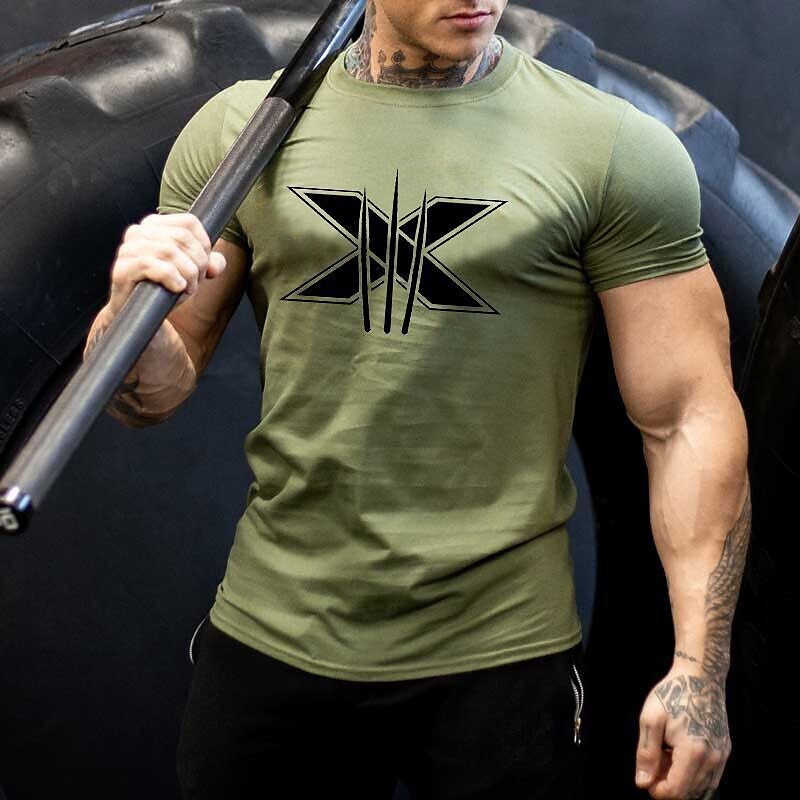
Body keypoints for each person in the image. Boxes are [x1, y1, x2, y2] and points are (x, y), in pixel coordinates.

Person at [83, 2, 750, 798]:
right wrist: (129, 312)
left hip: (502, 655)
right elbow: (151, 394)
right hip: (277, 637)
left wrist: (699, 670)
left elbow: (684, 418)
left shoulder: (611, 148)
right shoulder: (240, 135)